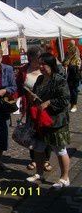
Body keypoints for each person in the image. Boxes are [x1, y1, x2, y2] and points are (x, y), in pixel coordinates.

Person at [26, 53, 71, 189]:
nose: (40, 67)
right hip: (41, 120)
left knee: (60, 149)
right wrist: (32, 97)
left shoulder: (59, 79)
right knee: (39, 148)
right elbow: (36, 94)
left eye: (43, 64)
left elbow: (65, 99)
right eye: (39, 64)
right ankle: (39, 173)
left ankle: (65, 178)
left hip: (56, 121)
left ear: (51, 65)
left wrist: (49, 102)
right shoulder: (40, 79)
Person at [15, 46, 52, 172]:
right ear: (30, 58)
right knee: (32, 133)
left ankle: (46, 159)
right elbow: (19, 87)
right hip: (31, 108)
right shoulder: (24, 70)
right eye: (37, 59)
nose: (40, 62)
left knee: (46, 133)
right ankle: (34, 160)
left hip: (46, 108)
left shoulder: (46, 68)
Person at [63, 40, 81, 113]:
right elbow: (64, 62)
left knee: (74, 91)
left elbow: (78, 68)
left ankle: (74, 105)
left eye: (69, 52)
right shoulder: (68, 57)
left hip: (75, 77)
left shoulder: (77, 58)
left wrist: (69, 66)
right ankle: (71, 104)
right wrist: (65, 64)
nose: (68, 53)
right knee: (70, 91)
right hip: (69, 77)